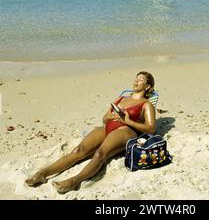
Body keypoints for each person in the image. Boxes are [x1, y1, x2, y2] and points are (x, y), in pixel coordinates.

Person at [25, 71, 156, 194]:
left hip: (125, 131)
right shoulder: (121, 98)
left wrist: (128, 121)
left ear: (147, 86)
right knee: (78, 150)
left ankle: (74, 181)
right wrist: (109, 116)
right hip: (107, 128)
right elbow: (104, 119)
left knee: (100, 154)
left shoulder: (146, 105)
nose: (136, 80)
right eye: (136, 78)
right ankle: (43, 174)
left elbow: (151, 129)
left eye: (141, 79)